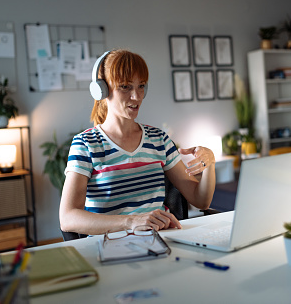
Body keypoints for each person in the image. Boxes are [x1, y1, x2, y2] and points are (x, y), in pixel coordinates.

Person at [59, 49, 216, 235]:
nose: (137, 96)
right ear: (101, 89)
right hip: (111, 247)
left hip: (163, 241)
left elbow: (201, 201)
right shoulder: (86, 144)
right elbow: (68, 218)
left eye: (141, 86)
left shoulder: (159, 140)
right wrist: (131, 222)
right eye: (125, 87)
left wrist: (210, 163)